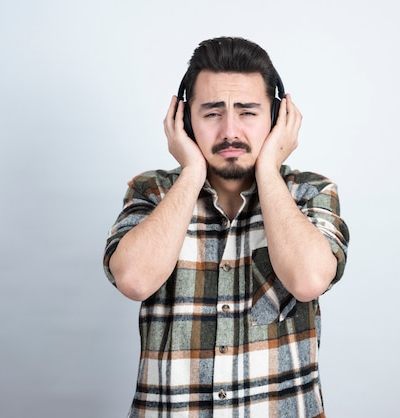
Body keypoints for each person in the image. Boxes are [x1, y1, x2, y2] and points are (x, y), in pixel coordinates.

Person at [103, 36, 349, 417]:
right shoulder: (151, 191)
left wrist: (267, 169)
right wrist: (192, 172)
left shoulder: (309, 192)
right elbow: (133, 280)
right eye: (212, 112)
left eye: (248, 112)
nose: (230, 131)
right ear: (185, 120)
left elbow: (308, 279)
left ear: (278, 118)